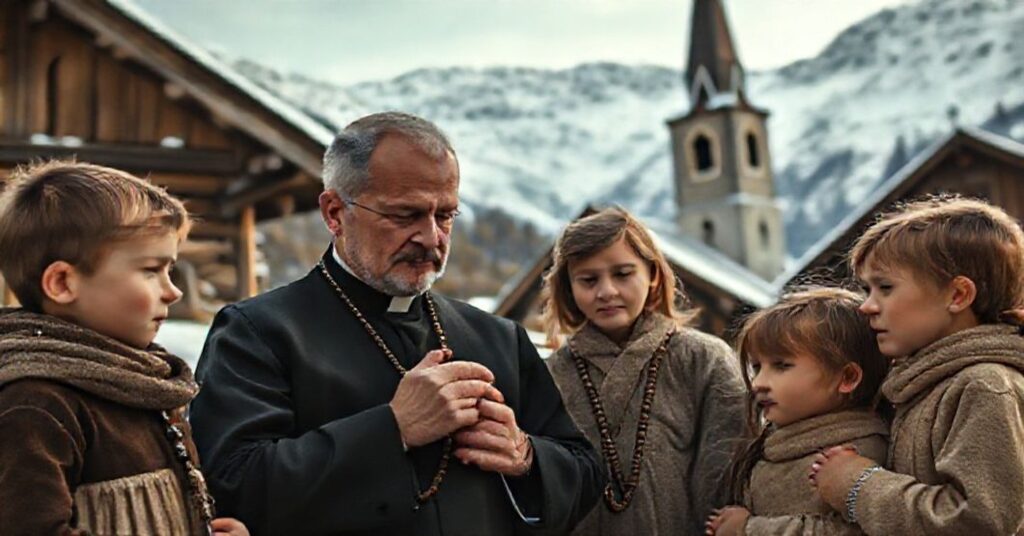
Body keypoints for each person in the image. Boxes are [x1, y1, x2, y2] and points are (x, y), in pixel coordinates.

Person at [189, 112, 603, 535]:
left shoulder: (498, 337)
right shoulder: (257, 333)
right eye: (405, 216)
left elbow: (586, 471)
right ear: (335, 213)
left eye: (445, 216)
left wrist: (526, 456)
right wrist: (393, 429)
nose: (431, 238)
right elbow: (232, 484)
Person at [0, 161, 248, 535]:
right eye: (150, 270)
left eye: (170, 270)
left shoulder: (144, 384)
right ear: (63, 282)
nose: (172, 291)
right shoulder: (36, 404)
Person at [810, 196, 1024, 535]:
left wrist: (857, 484)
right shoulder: (920, 383)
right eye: (867, 289)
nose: (866, 306)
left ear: (957, 295)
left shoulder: (984, 386)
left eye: (885, 287)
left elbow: (978, 522)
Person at [540, 207, 746, 535]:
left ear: (652, 274)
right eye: (588, 279)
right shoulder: (549, 376)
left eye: (622, 274)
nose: (606, 291)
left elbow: (728, 472)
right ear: (568, 287)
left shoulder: (705, 360)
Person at [705, 287, 890, 536]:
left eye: (781, 366)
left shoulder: (860, 452)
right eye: (757, 367)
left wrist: (749, 529)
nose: (759, 382)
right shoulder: (770, 444)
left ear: (847, 377)